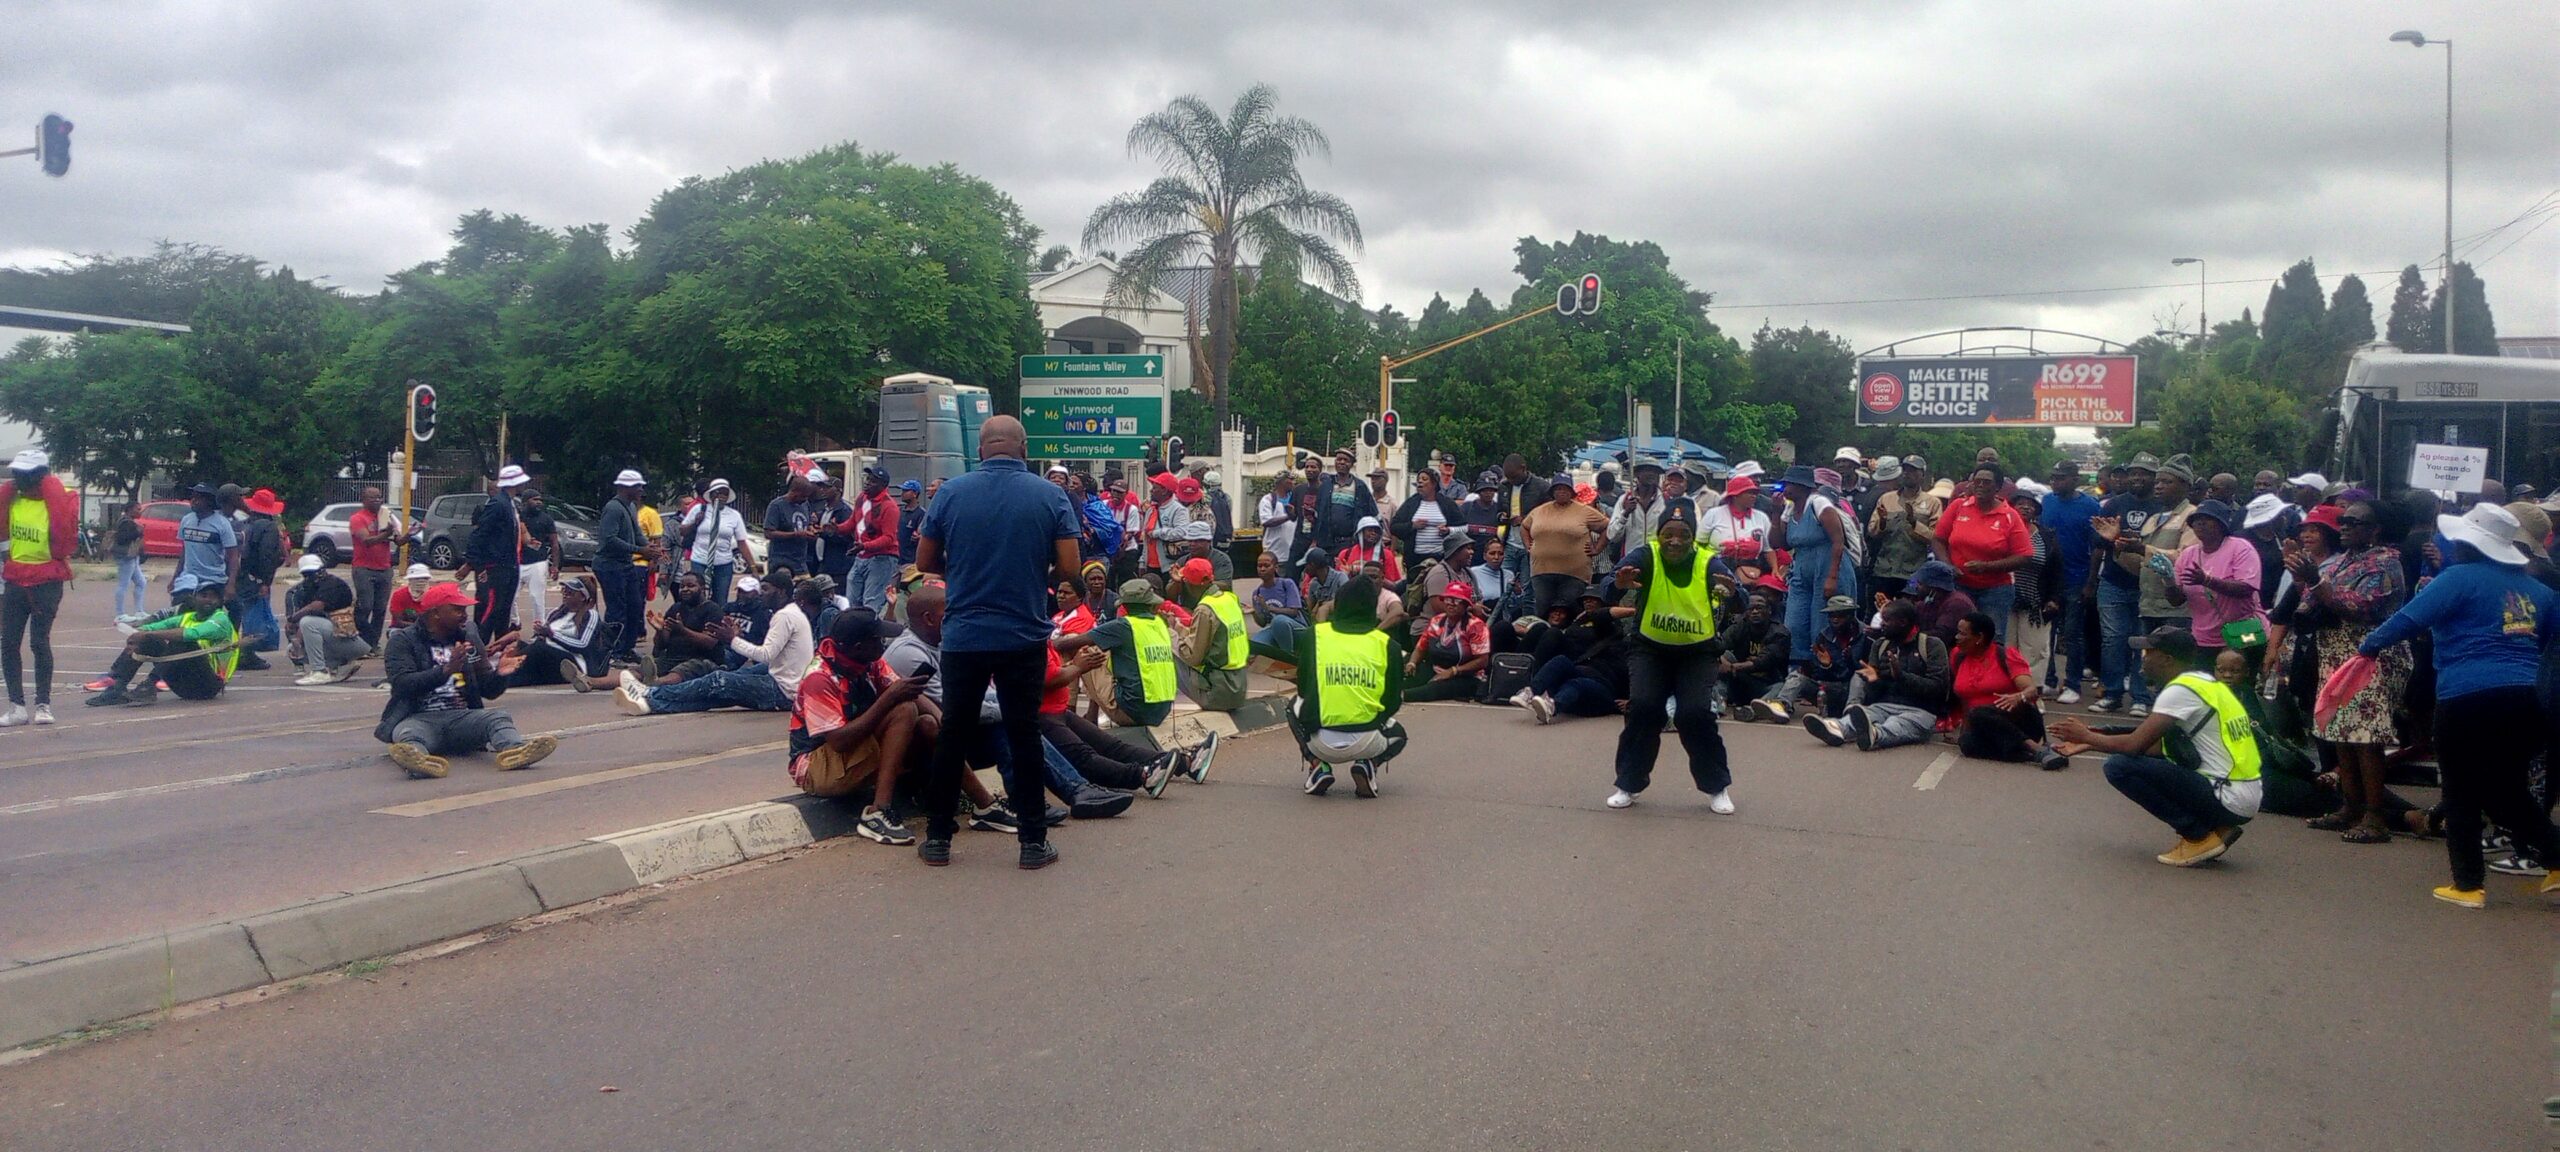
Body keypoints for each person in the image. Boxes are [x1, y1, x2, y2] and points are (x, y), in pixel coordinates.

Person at [2352, 503, 2560, 908]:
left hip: (2466, 699)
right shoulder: (2538, 590)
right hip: (2526, 701)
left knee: (2462, 791)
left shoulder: (2457, 578)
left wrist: (2368, 647)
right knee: (2508, 792)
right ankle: (2556, 861)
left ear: (2467, 544)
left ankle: (2467, 886)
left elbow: (2408, 620)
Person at [913, 414, 1089, 869]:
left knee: (954, 731)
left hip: (964, 634)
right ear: (1024, 449)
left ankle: (937, 839)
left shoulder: (951, 492)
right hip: (1023, 634)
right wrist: (1033, 576)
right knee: (1024, 733)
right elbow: (1070, 566)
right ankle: (1032, 842)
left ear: (982, 450)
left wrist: (967, 577)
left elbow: (925, 560)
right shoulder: (1051, 495)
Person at [2051, 626, 2261, 868]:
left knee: (2120, 767)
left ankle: (2198, 836)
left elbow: (2134, 745)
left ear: (2167, 660)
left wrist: (2087, 736)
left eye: (2148, 652)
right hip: (2243, 795)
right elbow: (2161, 748)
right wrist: (2092, 744)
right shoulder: (2206, 682)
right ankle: (2216, 828)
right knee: (2137, 762)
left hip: (2228, 796)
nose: (2142, 658)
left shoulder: (2181, 690)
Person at [2288, 503, 2410, 844]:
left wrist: (2316, 583)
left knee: (2366, 738)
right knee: (2341, 734)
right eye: (2343, 521)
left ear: (2375, 529)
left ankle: (2375, 817)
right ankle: (2351, 806)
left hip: (2368, 658)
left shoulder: (2387, 562)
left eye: (2354, 522)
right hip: (2336, 656)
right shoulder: (2341, 561)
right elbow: (2313, 605)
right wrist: (2304, 581)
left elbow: (2359, 607)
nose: (2344, 527)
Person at [790, 610, 965, 847]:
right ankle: (878, 810)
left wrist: (944, 725)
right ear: (859, 647)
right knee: (904, 711)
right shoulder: (819, 677)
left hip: (849, 756)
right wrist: (888, 699)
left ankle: (985, 806)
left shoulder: (870, 662)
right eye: (878, 639)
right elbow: (838, 741)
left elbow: (908, 693)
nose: (883, 643)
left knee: (928, 724)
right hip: (817, 767)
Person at [1604, 506, 1736, 812]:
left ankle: (1716, 787)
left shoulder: (1707, 561)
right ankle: (1628, 784)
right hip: (1650, 649)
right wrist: (1618, 584)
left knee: (1693, 714)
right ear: (1658, 535)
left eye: (1684, 535)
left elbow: (1738, 595)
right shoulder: (1645, 555)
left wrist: (1732, 593)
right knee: (1645, 708)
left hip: (1697, 653)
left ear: (1693, 538)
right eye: (1668, 534)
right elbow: (1611, 584)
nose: (1675, 541)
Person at [372, 582, 556, 779]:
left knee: (498, 718)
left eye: (464, 609)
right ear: (435, 613)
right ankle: (419, 762)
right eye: (457, 610)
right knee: (407, 734)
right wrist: (446, 670)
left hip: (461, 718)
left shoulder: (468, 638)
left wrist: (501, 673)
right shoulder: (402, 641)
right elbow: (402, 685)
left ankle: (516, 751)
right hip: (418, 718)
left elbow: (488, 690)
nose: (465, 615)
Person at [616, 573, 827, 716]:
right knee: (715, 696)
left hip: (782, 691)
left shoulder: (784, 616)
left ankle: (649, 693)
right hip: (785, 682)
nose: (760, 593)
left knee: (719, 680)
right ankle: (651, 706)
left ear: (781, 592)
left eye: (765, 589)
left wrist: (732, 639)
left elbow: (764, 655)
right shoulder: (789, 613)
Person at [1289, 575, 1407, 798]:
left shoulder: (1315, 635)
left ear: (1339, 603)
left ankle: (1317, 766)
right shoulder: (1387, 645)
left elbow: (1303, 689)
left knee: (1293, 705)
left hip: (1319, 740)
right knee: (1399, 735)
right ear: (1373, 608)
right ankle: (1367, 764)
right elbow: (1392, 701)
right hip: (1368, 738)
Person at [1803, 599, 1950, 752]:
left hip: (1921, 712)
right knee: (1862, 712)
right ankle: (1836, 728)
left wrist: (1901, 676)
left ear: (1903, 622)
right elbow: (1874, 695)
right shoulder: (1880, 645)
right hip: (1883, 706)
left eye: (1886, 620)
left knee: (1896, 724)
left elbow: (1938, 688)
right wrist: (1874, 681)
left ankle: (1875, 735)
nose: (1881, 624)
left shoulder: (1932, 645)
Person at [1938, 611, 2069, 770]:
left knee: (1979, 712)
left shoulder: (2005, 655)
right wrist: (1965, 731)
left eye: (1962, 634)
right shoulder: (1957, 656)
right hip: (1985, 726)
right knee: (1967, 744)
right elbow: (1965, 698)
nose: (1957, 637)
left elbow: (2032, 690)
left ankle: (2036, 748)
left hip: (2020, 719)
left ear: (1979, 638)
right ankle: (2025, 753)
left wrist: (2018, 696)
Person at [2, 449, 76, 726]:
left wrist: (52, 490)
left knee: (38, 642)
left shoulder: (58, 500)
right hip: (15, 580)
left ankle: (43, 704)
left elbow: (66, 537)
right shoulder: (15, 502)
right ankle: (16, 706)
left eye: (26, 475)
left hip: (46, 582)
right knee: (8, 643)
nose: (19, 480)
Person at [87, 578, 240, 707]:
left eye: (213, 597)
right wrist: (138, 636)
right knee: (147, 639)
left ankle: (149, 685)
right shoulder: (188, 617)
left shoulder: (220, 619)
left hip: (208, 685)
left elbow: (193, 634)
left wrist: (146, 633)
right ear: (194, 599)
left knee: (183, 642)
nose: (208, 600)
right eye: (204, 595)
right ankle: (116, 687)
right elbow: (152, 627)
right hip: (182, 684)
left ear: (220, 601)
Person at [2090, 453, 2164, 716]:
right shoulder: (2112, 505)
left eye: (2144, 473)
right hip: (2112, 582)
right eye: (2134, 472)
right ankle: (2111, 693)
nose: (2137, 477)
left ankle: (2141, 697)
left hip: (2148, 585)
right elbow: (2099, 547)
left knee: (2142, 642)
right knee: (2112, 640)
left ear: (2155, 477)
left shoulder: (2163, 507)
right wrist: (2091, 583)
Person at [1930, 463, 2031, 642]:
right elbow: (1938, 539)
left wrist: (1987, 567)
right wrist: (1948, 565)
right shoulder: (1958, 506)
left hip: (1995, 591)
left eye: (1986, 482)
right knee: (1956, 637)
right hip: (1958, 585)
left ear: (1998, 487)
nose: (1981, 486)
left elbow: (2024, 555)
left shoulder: (2009, 516)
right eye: (1977, 481)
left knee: (1990, 640)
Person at [2169, 499, 2267, 682]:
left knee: (2241, 687)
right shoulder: (2188, 554)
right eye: (2196, 520)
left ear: (2221, 524)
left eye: (2207, 519)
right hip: (2204, 638)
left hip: (2242, 633)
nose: (2200, 523)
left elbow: (2246, 588)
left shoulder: (2240, 548)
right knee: (2207, 689)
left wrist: (2207, 580)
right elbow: (2176, 600)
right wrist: (2167, 581)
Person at [1738, 593, 1861, 723]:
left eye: (1840, 615)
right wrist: (1826, 665)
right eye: (1831, 615)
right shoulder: (1824, 637)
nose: (1835, 619)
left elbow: (1866, 672)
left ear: (1851, 615)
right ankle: (1781, 706)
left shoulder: (1865, 635)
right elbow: (1819, 674)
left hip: (1855, 691)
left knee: (1858, 677)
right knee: (1797, 676)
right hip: (1829, 690)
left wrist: (1848, 660)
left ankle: (1853, 715)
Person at [1776, 464, 1857, 662]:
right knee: (1794, 624)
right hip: (1802, 571)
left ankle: (1826, 671)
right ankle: (1799, 670)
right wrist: (1774, 512)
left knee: (1822, 625)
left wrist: (1832, 577)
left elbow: (1838, 541)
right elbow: (1780, 543)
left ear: (1802, 486)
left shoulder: (1819, 504)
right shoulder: (1789, 509)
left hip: (1828, 567)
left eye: (1790, 485)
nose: (1785, 489)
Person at [2040, 461, 2102, 701]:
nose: (2056, 481)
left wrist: (2091, 581)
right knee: (2047, 632)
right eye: (2053, 477)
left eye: (2062, 478)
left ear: (2075, 480)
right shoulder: (2047, 501)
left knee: (2073, 634)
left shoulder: (2090, 505)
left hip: (2077, 578)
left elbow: (2097, 547)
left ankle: (2073, 685)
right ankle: (2048, 679)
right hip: (2049, 580)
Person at [594, 470, 660, 664]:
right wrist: (640, 550)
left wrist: (649, 548)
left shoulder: (630, 506)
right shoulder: (613, 508)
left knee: (635, 606)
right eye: (637, 486)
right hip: (609, 565)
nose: (641, 490)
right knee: (617, 610)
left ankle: (627, 649)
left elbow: (637, 533)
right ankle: (612, 652)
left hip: (625, 564)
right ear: (624, 487)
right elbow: (609, 540)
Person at [1522, 476, 1607, 616]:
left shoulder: (1584, 511)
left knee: (1570, 611)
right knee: (1543, 611)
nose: (1561, 491)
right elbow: (1524, 526)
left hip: (1574, 574)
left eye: (1565, 488)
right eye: (1558, 488)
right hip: (1541, 571)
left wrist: (1597, 548)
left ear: (1572, 492)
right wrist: (1528, 545)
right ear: (1552, 491)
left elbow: (1607, 527)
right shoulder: (1539, 511)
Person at [1178, 557, 1251, 711]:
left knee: (1169, 646)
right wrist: (1181, 630)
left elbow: (1193, 656)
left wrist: (1175, 633)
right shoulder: (1230, 599)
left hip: (1218, 692)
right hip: (1239, 688)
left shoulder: (1205, 609)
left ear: (1190, 584)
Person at [228, 487, 289, 670]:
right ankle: (246, 653)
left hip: (240, 575)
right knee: (252, 617)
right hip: (255, 578)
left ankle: (237, 651)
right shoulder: (268, 527)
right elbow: (267, 556)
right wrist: (265, 581)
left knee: (241, 614)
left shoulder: (244, 524)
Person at [466, 465, 529, 640]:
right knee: (491, 611)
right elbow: (479, 534)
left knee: (503, 612)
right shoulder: (498, 503)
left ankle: (499, 649)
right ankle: (479, 650)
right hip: (497, 567)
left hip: (510, 565)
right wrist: (478, 565)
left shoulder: (510, 504)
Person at [510, 574, 605, 689]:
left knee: (539, 648)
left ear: (582, 597)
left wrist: (551, 634)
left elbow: (583, 645)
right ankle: (501, 678)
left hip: (575, 662)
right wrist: (539, 634)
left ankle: (504, 677)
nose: (565, 594)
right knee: (516, 645)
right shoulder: (556, 613)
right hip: (549, 659)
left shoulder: (590, 615)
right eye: (564, 591)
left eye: (570, 592)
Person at [2004, 487, 2060, 681]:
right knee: (2007, 647)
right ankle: (2007, 689)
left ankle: (2032, 695)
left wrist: (2053, 598)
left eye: (2030, 505)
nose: (2026, 508)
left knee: (2034, 650)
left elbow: (2056, 569)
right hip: (2004, 598)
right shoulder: (2002, 529)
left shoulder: (2046, 536)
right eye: (2021, 504)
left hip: (2036, 601)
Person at [286, 554, 369, 684]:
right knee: (292, 647)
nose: (312, 576)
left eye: (314, 571)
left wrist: (293, 618)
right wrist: (298, 642)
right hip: (338, 637)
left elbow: (315, 607)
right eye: (307, 573)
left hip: (354, 639)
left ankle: (319, 671)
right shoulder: (309, 589)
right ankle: (339, 666)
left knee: (308, 623)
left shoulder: (333, 584)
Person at [1865, 455, 1940, 599]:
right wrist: (1883, 521)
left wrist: (1913, 523)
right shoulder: (1886, 499)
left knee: (1909, 614)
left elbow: (1934, 537)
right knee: (1881, 614)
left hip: (1914, 572)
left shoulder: (1932, 503)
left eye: (1913, 470)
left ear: (1922, 475)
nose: (1907, 474)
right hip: (1885, 570)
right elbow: (1872, 531)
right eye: (1905, 470)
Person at [1404, 581, 1491, 702]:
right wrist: (1412, 663)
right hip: (1437, 669)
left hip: (1466, 676)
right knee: (1405, 678)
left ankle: (1401, 697)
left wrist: (1454, 671)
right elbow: (1420, 647)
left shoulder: (1476, 626)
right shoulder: (1436, 621)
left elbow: (1482, 661)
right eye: (1448, 600)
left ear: (1466, 605)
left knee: (1434, 689)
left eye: (1456, 601)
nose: (1451, 604)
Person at [1715, 588, 1793, 713]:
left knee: (1782, 687)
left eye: (1759, 608)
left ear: (1769, 610)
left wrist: (1733, 667)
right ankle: (1718, 704)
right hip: (1740, 682)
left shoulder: (1780, 633)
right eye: (1751, 609)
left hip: (1767, 685)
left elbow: (1763, 661)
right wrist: (1721, 660)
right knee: (1723, 656)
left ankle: (1757, 709)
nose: (1755, 612)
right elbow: (1718, 646)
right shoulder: (1740, 626)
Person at [679, 479, 752, 608]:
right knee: (698, 596)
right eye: (718, 493)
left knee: (720, 600)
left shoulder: (734, 515)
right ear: (711, 495)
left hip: (723, 563)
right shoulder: (699, 509)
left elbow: (741, 542)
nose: (721, 496)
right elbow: (682, 531)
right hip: (700, 560)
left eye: (725, 494)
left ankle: (715, 624)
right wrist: (695, 522)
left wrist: (753, 567)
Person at [844, 467, 902, 612]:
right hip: (861, 556)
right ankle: (854, 632)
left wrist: (865, 546)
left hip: (882, 558)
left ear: (882, 485)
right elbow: (852, 523)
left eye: (872, 481)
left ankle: (870, 633)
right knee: (852, 600)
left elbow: (889, 538)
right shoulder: (861, 498)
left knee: (871, 602)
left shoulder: (889, 507)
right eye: (867, 479)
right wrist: (836, 529)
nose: (867, 483)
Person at [346, 485, 397, 646]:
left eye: (379, 497)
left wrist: (407, 534)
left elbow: (397, 540)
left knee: (380, 609)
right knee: (365, 606)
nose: (377, 500)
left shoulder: (385, 516)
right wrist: (386, 534)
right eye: (373, 497)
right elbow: (367, 541)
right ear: (363, 500)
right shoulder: (358, 518)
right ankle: (358, 640)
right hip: (364, 569)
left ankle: (372, 643)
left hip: (384, 568)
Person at [1390, 468, 1465, 577]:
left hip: (1441, 559)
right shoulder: (1411, 503)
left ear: (1434, 484)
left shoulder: (1447, 503)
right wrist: (1412, 526)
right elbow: (1394, 527)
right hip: (1415, 560)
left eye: (1424, 479)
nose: (1420, 481)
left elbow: (1465, 527)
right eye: (1419, 479)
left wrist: (1449, 530)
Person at [1314, 448, 1380, 558]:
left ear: (1351, 464)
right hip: (1326, 543)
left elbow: (1373, 515)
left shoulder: (1360, 486)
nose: (1342, 462)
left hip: (1350, 543)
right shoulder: (1325, 485)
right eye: (1339, 459)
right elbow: (1317, 515)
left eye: (1346, 460)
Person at [1606, 459, 1670, 566]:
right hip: (1630, 562)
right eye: (1647, 470)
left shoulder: (1667, 501)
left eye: (1655, 471)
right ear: (1636, 474)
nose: (1651, 474)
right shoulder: (1624, 500)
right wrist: (1625, 513)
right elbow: (1612, 536)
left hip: (1658, 563)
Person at [763, 467, 822, 578]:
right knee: (784, 592)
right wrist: (795, 534)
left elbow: (807, 523)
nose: (805, 499)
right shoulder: (776, 506)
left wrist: (812, 530)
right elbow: (768, 533)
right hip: (781, 563)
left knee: (807, 591)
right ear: (794, 492)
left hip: (801, 563)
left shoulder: (805, 504)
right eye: (803, 496)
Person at [1698, 475, 1774, 557]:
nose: (1754, 496)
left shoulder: (1761, 517)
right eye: (1749, 493)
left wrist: (1775, 569)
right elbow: (1699, 544)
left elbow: (1768, 549)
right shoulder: (1713, 514)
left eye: (1755, 493)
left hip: (1750, 566)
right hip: (1717, 565)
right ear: (1735, 496)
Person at [1907, 559, 1976, 647]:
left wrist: (1910, 636)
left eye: (1920, 584)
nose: (1916, 587)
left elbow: (1942, 635)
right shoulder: (1928, 600)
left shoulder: (1956, 603)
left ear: (1934, 587)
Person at [517, 488, 560, 622]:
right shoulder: (518, 517)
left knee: (537, 598)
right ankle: (514, 622)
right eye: (534, 499)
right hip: (517, 562)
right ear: (525, 502)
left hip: (538, 563)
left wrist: (555, 566)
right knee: (510, 597)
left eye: (540, 500)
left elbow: (554, 543)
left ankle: (539, 628)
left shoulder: (546, 519)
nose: (539, 502)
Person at [1335, 516, 1401, 586]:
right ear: (1360, 532)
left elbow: (1393, 586)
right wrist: (1346, 574)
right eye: (1370, 530)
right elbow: (1337, 583)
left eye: (1376, 531)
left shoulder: (1386, 555)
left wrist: (1374, 574)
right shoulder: (1345, 554)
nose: (1373, 533)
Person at [1258, 471, 1300, 577]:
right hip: (1275, 553)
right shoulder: (1268, 500)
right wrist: (1288, 517)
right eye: (1290, 480)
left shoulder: (1295, 499)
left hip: (1293, 554)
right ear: (1282, 482)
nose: (1293, 483)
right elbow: (1267, 522)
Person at [111, 502, 148, 620]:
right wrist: (138, 532)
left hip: (132, 557)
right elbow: (122, 539)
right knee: (123, 584)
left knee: (141, 582)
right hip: (126, 557)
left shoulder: (126, 521)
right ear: (130, 509)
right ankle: (120, 614)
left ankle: (139, 611)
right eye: (138, 509)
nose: (140, 511)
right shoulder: (126, 523)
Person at [386, 563, 433, 632]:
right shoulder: (399, 595)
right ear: (410, 580)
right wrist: (419, 627)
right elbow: (398, 622)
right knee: (395, 634)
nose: (420, 581)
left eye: (424, 578)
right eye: (416, 578)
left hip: (428, 630)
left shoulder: (434, 595)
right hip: (402, 629)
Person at [896, 480, 925, 565]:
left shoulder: (921, 514)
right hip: (896, 559)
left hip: (910, 561)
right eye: (902, 491)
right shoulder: (899, 511)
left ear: (915, 494)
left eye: (906, 491)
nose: (902, 494)